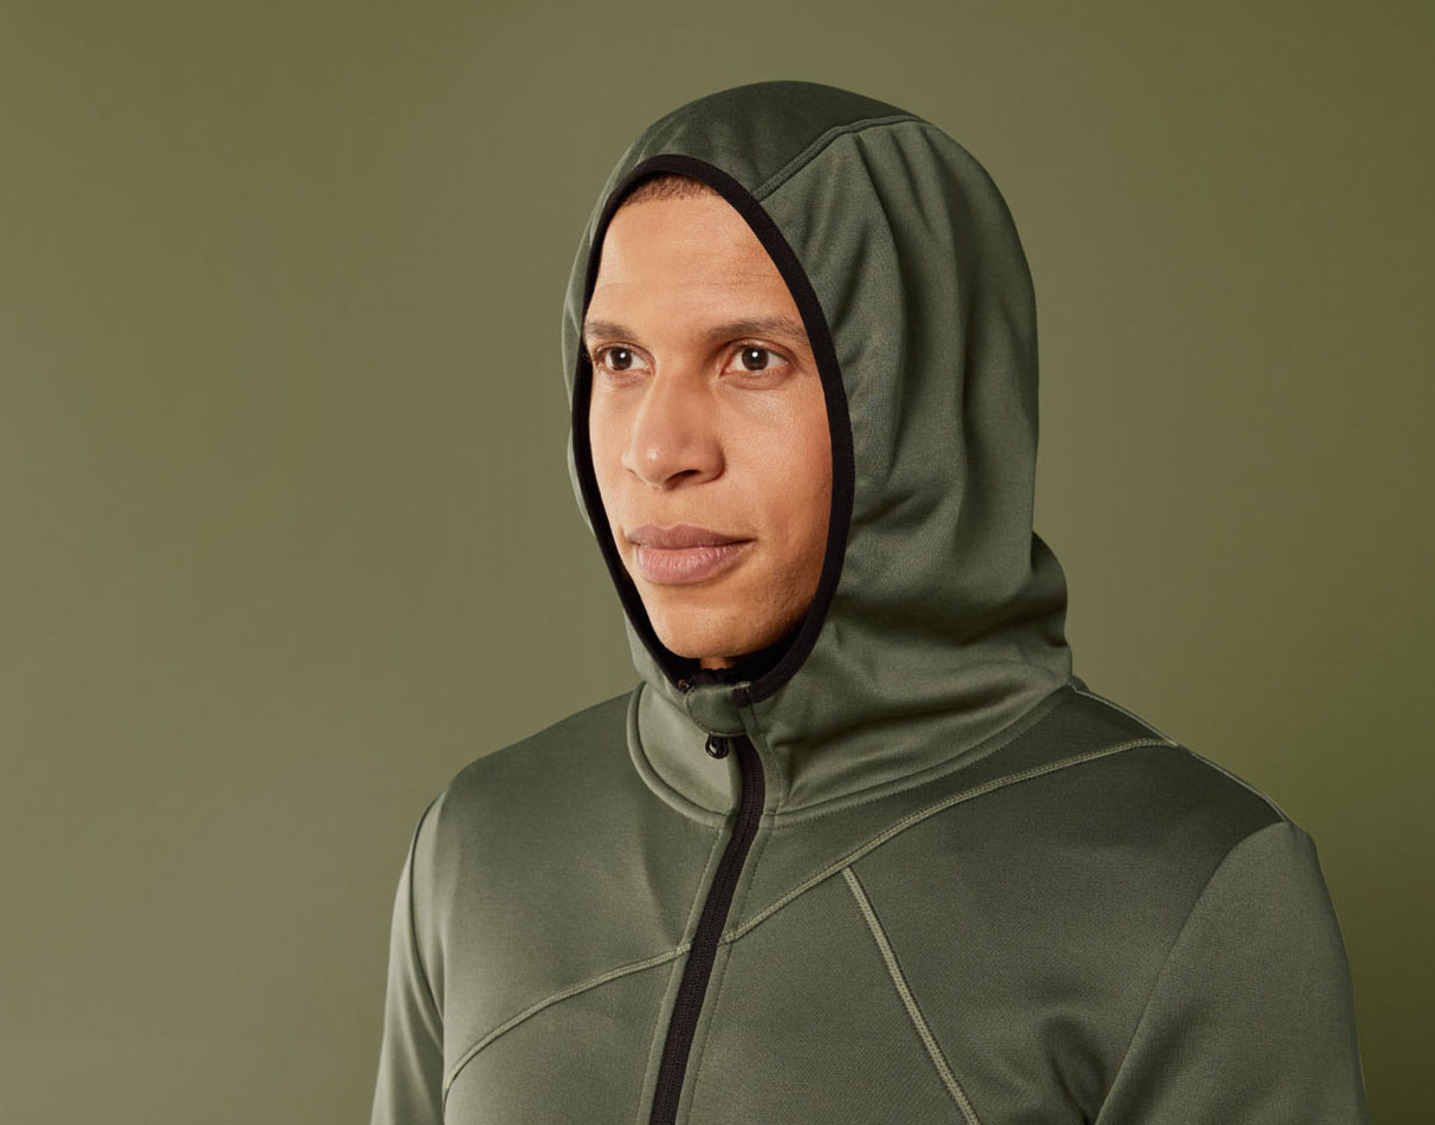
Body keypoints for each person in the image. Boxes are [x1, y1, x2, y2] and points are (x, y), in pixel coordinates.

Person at [371, 80, 1371, 1124]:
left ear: (916, 393)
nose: (657, 450)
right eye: (621, 359)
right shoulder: (479, 846)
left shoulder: (1192, 891)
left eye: (751, 358)